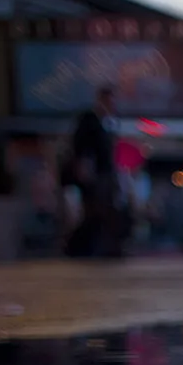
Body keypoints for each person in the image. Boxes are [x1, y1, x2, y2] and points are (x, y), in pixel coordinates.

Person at [65, 85, 123, 258]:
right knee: (95, 211)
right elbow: (81, 147)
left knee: (103, 211)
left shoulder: (108, 123)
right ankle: (77, 246)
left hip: (105, 173)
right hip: (94, 175)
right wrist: (84, 168)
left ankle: (99, 247)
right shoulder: (89, 120)